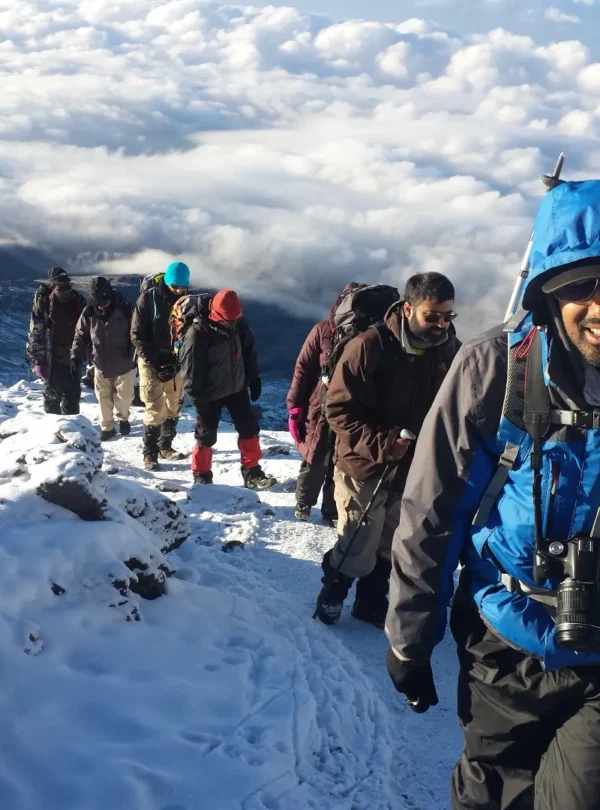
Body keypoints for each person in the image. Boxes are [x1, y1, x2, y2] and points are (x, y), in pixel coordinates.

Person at [385, 180, 600, 810]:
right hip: (503, 643)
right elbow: (432, 510)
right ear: (549, 287)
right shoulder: (494, 369)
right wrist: (410, 638)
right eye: (584, 282)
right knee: (492, 794)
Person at [314, 272, 460, 627]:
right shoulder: (369, 345)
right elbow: (336, 409)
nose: (441, 324)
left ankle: (370, 600)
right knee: (359, 541)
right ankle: (332, 591)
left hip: (411, 467)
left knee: (390, 540)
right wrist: (384, 443)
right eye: (432, 316)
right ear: (408, 309)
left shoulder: (449, 349)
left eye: (448, 316)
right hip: (362, 464)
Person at [178, 288, 277, 491]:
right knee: (205, 435)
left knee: (249, 428)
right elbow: (190, 373)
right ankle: (201, 475)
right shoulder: (197, 333)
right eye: (229, 320)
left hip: (236, 387)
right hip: (209, 393)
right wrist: (198, 402)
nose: (233, 322)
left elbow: (248, 351)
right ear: (217, 314)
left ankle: (252, 473)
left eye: (236, 317)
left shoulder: (238, 322)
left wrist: (254, 377)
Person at [131, 261, 189, 470]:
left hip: (175, 362)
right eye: (176, 287)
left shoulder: (186, 301)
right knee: (155, 408)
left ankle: (165, 446)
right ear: (168, 282)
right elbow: (137, 335)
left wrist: (177, 362)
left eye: (183, 287)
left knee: (173, 404)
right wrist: (156, 361)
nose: (179, 291)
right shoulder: (148, 299)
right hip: (150, 361)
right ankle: (150, 453)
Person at [286, 300, 339, 525]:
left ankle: (305, 503)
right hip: (350, 406)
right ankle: (331, 509)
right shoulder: (372, 333)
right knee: (337, 459)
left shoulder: (323, 329)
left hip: (323, 404)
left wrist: (295, 405)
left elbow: (303, 368)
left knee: (316, 454)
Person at [71, 277, 136, 441]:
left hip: (124, 363)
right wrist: (75, 357)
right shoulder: (89, 312)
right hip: (100, 363)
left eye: (103, 302)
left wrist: (136, 355)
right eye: (97, 302)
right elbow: (80, 336)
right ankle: (107, 427)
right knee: (103, 398)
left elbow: (135, 334)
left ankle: (123, 418)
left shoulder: (125, 309)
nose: (100, 305)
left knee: (124, 398)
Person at [26, 267, 86, 415]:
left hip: (73, 358)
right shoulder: (44, 304)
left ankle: (72, 432)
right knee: (52, 399)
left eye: (64, 283)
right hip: (52, 359)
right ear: (53, 285)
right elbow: (36, 332)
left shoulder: (79, 301)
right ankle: (55, 434)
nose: (62, 287)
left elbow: (86, 330)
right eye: (59, 284)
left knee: (72, 399)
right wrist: (38, 360)